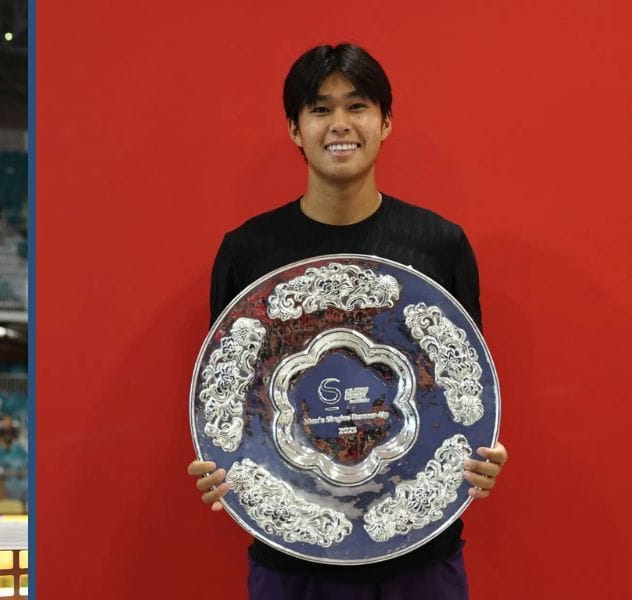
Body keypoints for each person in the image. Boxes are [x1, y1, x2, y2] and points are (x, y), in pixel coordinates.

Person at [186, 44, 509, 599]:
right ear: (295, 128)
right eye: (320, 108)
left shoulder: (438, 246)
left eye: (357, 106)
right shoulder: (248, 253)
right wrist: (220, 461)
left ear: (385, 122)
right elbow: (231, 400)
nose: (340, 124)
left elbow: (466, 392)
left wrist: (483, 451)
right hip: (292, 564)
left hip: (420, 559)